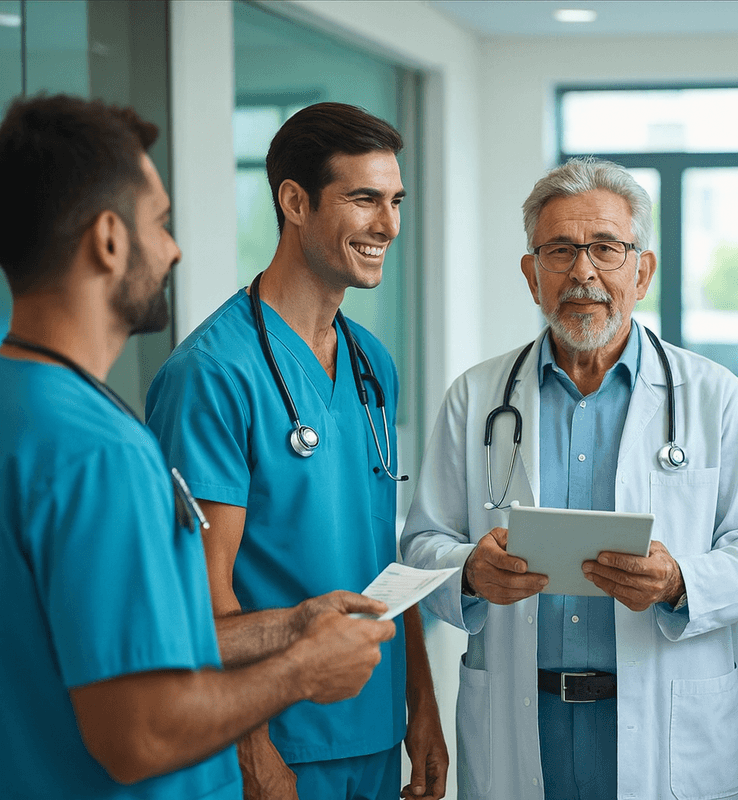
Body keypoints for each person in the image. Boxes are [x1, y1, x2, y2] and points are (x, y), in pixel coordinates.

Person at [0, 94, 396, 799]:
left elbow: (145, 638)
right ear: (109, 240)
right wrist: (300, 670)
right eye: (161, 223)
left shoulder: (30, 410)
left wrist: (292, 624)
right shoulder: (101, 453)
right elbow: (140, 731)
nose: (175, 249)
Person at [399, 157, 738, 800]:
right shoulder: (475, 398)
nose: (584, 271)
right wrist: (470, 569)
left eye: (607, 248)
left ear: (643, 269)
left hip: (667, 724)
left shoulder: (712, 396)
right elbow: (421, 546)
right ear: (531, 274)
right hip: (522, 720)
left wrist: (678, 580)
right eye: (560, 251)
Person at [146, 102, 447, 800]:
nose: (389, 226)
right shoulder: (212, 375)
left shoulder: (372, 364)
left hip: (373, 731)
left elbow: (386, 561)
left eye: (396, 201)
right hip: (275, 739)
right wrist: (250, 751)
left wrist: (421, 705)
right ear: (294, 202)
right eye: (364, 200)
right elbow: (201, 599)